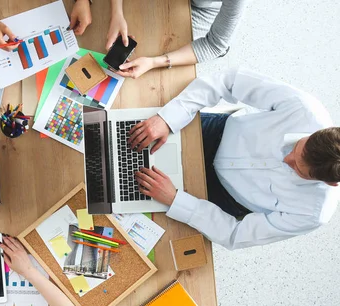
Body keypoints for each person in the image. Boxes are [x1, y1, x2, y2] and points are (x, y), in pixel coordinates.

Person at [129, 67, 340, 250]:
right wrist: (169, 118)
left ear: (330, 183)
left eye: (298, 169)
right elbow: (230, 80)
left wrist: (177, 201)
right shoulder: (305, 109)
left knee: (126, 205)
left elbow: (235, 235)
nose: (287, 159)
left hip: (216, 198)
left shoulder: (312, 213)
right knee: (126, 133)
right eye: (296, 146)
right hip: (212, 134)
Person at [114, 0, 250, 79]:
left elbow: (214, 46)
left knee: (161, 48)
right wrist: (117, 13)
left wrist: (154, 62)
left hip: (203, 9)